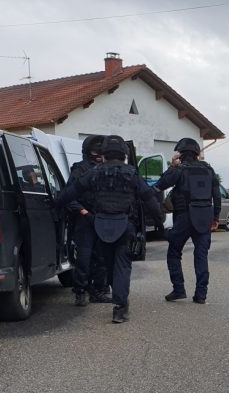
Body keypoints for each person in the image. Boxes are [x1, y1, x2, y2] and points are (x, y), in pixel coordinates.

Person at [57, 135, 164, 323]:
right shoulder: (131, 174)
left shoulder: (94, 173)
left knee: (108, 265)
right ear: (124, 155)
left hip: (100, 226)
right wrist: (160, 222)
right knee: (122, 266)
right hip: (124, 225)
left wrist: (56, 203)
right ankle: (120, 308)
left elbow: (69, 194)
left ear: (104, 155)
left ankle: (109, 296)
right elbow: (149, 200)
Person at [153, 137, 221, 305]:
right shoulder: (209, 170)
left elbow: (160, 185)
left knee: (174, 252)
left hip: (184, 218)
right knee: (201, 255)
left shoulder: (179, 169)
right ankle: (201, 295)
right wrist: (216, 218)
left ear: (180, 154)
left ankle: (179, 289)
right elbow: (217, 196)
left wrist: (172, 165)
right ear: (197, 153)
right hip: (204, 217)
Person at [66, 135, 112, 305]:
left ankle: (99, 291)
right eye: (95, 150)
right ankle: (80, 291)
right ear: (89, 151)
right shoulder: (80, 170)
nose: (99, 153)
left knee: (102, 258)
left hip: (103, 218)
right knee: (84, 258)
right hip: (84, 219)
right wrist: (84, 212)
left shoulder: (109, 169)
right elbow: (69, 196)